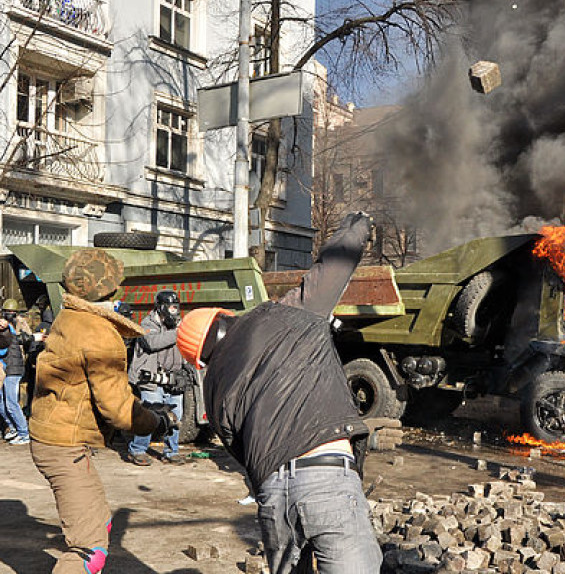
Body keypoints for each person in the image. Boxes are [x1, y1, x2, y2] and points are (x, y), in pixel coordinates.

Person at [176, 212, 382, 574]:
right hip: (327, 478)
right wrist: (358, 225)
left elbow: (237, 449)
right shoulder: (288, 314)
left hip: (272, 495)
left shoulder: (213, 387)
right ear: (224, 317)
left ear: (201, 358)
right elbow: (333, 266)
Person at [29, 248, 177, 574]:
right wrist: (156, 422)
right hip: (64, 447)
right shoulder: (98, 332)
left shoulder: (70, 317)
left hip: (52, 439)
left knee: (101, 523)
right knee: (89, 548)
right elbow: (118, 409)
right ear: (110, 289)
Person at [126, 290, 186, 466]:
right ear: (161, 308)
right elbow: (153, 343)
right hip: (151, 379)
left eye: (176, 307)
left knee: (176, 416)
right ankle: (137, 450)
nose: (174, 311)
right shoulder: (147, 323)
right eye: (171, 307)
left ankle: (171, 452)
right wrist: (179, 332)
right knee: (151, 415)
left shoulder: (177, 325)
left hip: (172, 379)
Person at [0, 299, 31, 445]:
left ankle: (23, 433)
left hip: (13, 367)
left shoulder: (11, 329)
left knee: (11, 402)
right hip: (8, 367)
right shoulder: (8, 328)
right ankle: (14, 429)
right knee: (3, 402)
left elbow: (25, 339)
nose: (9, 315)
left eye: (11, 312)